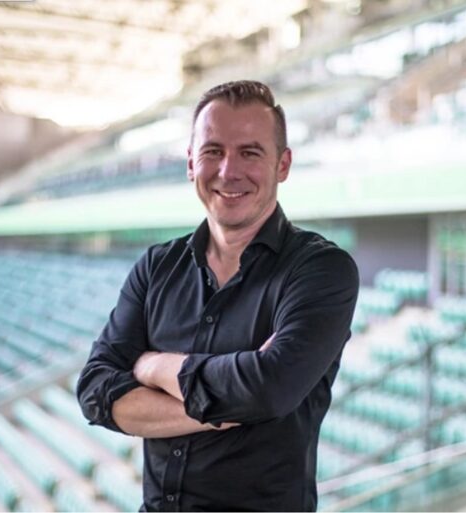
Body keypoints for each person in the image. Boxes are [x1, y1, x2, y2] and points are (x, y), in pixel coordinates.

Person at [77, 80, 359, 511]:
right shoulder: (156, 268)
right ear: (191, 163)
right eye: (213, 151)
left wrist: (153, 366)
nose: (229, 171)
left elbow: (268, 389)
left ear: (283, 164)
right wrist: (229, 406)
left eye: (250, 153)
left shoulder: (321, 270)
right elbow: (95, 390)